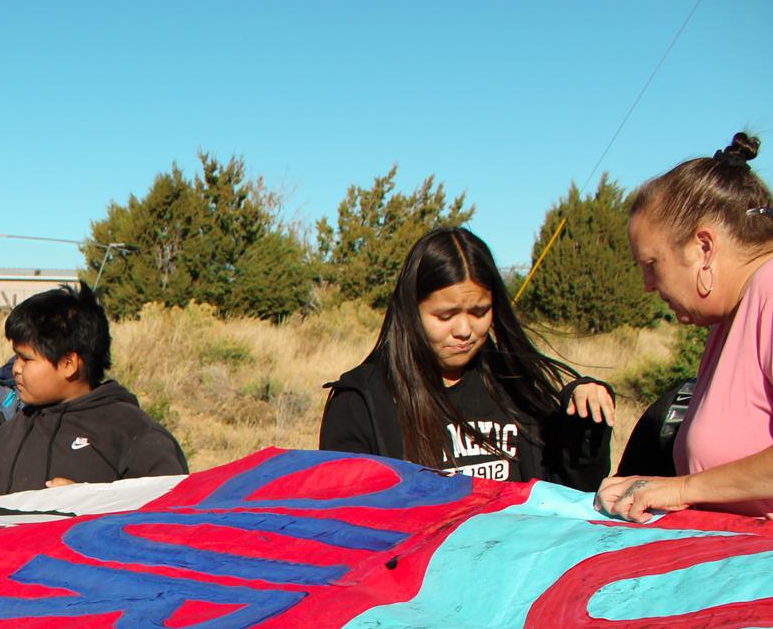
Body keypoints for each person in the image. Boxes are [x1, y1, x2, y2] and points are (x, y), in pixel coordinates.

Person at [320, 228, 614, 488]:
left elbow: (569, 492)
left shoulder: (514, 386)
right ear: (411, 312)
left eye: (479, 312)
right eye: (445, 316)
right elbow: (347, 521)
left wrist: (584, 426)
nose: (464, 330)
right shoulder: (361, 402)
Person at [598, 133, 773, 521]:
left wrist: (680, 489)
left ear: (703, 248)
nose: (647, 286)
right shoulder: (730, 318)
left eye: (651, 264)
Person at [0, 284, 185, 497]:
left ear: (69, 364)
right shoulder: (10, 431)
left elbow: (168, 512)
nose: (16, 368)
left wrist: (89, 501)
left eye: (26, 359)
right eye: (16, 357)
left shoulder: (134, 435)